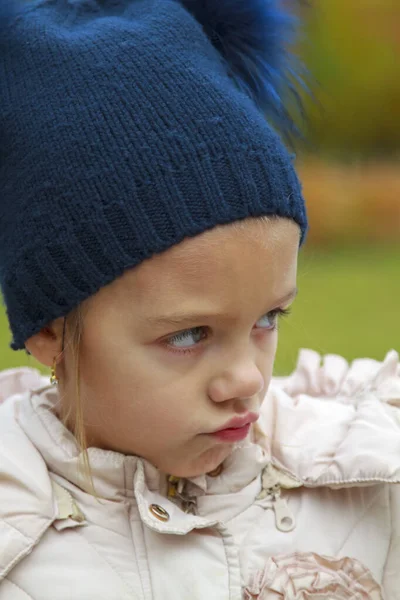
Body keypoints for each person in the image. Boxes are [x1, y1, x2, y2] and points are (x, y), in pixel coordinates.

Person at [0, 0, 398, 598]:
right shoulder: (17, 536)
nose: (246, 381)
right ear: (51, 329)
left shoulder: (366, 470)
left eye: (268, 318)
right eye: (188, 335)